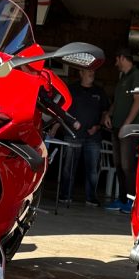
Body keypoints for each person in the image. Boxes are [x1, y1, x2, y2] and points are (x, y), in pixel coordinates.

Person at [103, 47, 139, 214]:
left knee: (128, 166)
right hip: (117, 128)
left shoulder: (137, 75)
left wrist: (126, 125)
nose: (115, 63)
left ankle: (131, 201)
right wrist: (109, 114)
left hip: (128, 130)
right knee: (119, 165)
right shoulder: (123, 77)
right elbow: (117, 101)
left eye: (116, 59)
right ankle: (122, 200)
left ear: (122, 58)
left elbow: (138, 101)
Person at [58, 67, 110, 207]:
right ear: (81, 73)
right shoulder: (71, 89)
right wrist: (57, 127)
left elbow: (105, 112)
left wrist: (98, 126)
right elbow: (62, 110)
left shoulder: (99, 91)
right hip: (72, 135)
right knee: (69, 168)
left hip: (93, 136)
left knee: (92, 170)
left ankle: (91, 198)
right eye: (88, 71)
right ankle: (65, 195)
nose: (92, 73)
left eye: (93, 71)